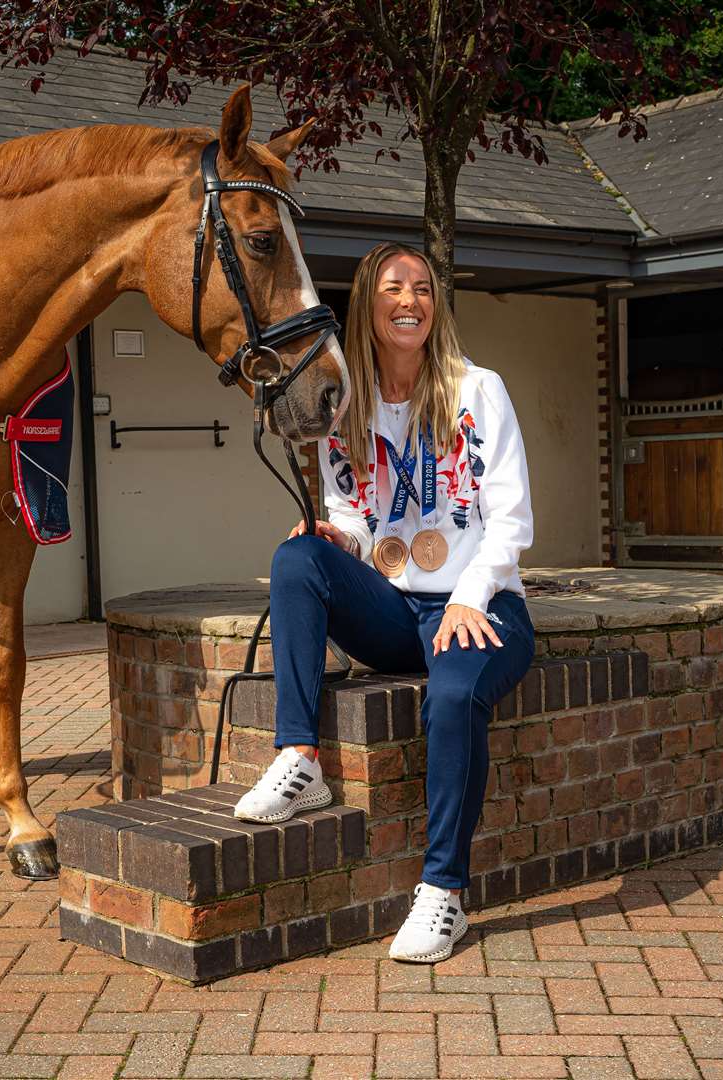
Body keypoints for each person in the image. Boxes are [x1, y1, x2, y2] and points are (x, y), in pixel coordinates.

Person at [233, 242, 536, 964]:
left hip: (485, 607)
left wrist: (469, 597)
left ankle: (444, 895)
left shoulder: (477, 390)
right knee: (299, 555)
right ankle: (300, 757)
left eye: (424, 289)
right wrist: (340, 536)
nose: (411, 301)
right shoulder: (348, 410)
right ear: (367, 304)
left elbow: (512, 520)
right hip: (402, 613)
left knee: (452, 699)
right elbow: (362, 519)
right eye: (395, 288)